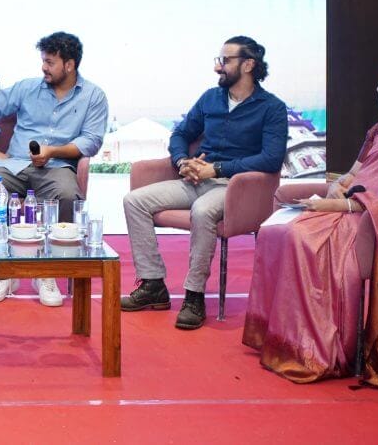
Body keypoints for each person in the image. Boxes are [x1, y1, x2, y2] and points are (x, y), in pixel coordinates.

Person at [243, 51, 378, 387]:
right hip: (350, 210)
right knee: (277, 230)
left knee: (303, 240)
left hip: (377, 227)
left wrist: (341, 205)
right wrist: (337, 187)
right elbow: (354, 174)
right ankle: (281, 338)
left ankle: (319, 350)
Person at [121, 36, 287, 330]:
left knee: (202, 210)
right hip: (196, 179)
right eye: (218, 60)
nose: (218, 67)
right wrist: (182, 162)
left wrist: (217, 169)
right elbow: (180, 134)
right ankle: (153, 284)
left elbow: (271, 159)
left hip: (236, 188)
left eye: (225, 61)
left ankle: (194, 295)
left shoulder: (272, 107)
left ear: (248, 65)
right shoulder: (210, 98)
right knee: (134, 201)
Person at [0, 32, 109, 307]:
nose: (43, 67)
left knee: (68, 196)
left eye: (49, 62)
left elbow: (91, 140)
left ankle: (46, 271)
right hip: (16, 164)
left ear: (69, 65)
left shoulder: (93, 96)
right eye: (43, 61)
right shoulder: (28, 88)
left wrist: (52, 152)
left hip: (58, 167)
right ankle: (4, 271)